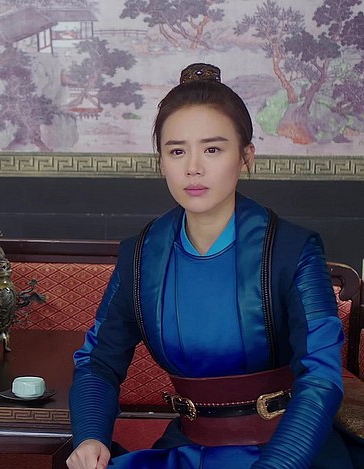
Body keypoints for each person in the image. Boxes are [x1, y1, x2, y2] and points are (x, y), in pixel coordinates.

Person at [66, 63, 351, 469]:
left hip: (287, 452)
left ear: (246, 156)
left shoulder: (293, 250)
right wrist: (91, 435)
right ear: (161, 161)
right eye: (177, 151)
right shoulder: (142, 256)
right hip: (189, 448)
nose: (193, 168)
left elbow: (321, 377)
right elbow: (98, 362)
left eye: (213, 149)